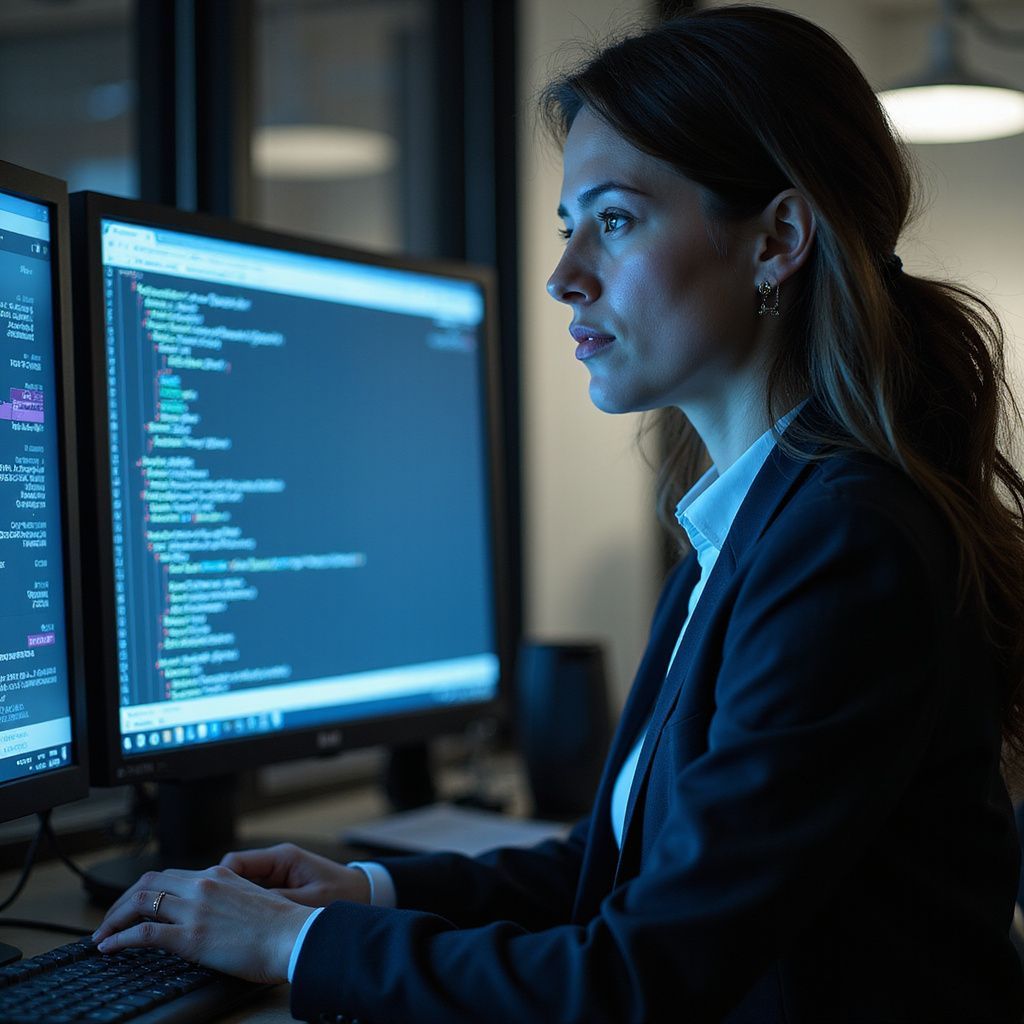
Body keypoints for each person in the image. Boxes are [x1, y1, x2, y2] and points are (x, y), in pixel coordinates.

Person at [93, 6, 1024, 1021]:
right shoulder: (753, 523)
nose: (563, 276)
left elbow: (634, 981)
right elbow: (623, 864)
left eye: (614, 221)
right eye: (567, 226)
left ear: (776, 241)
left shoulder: (845, 541)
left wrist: (292, 944)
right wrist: (361, 891)